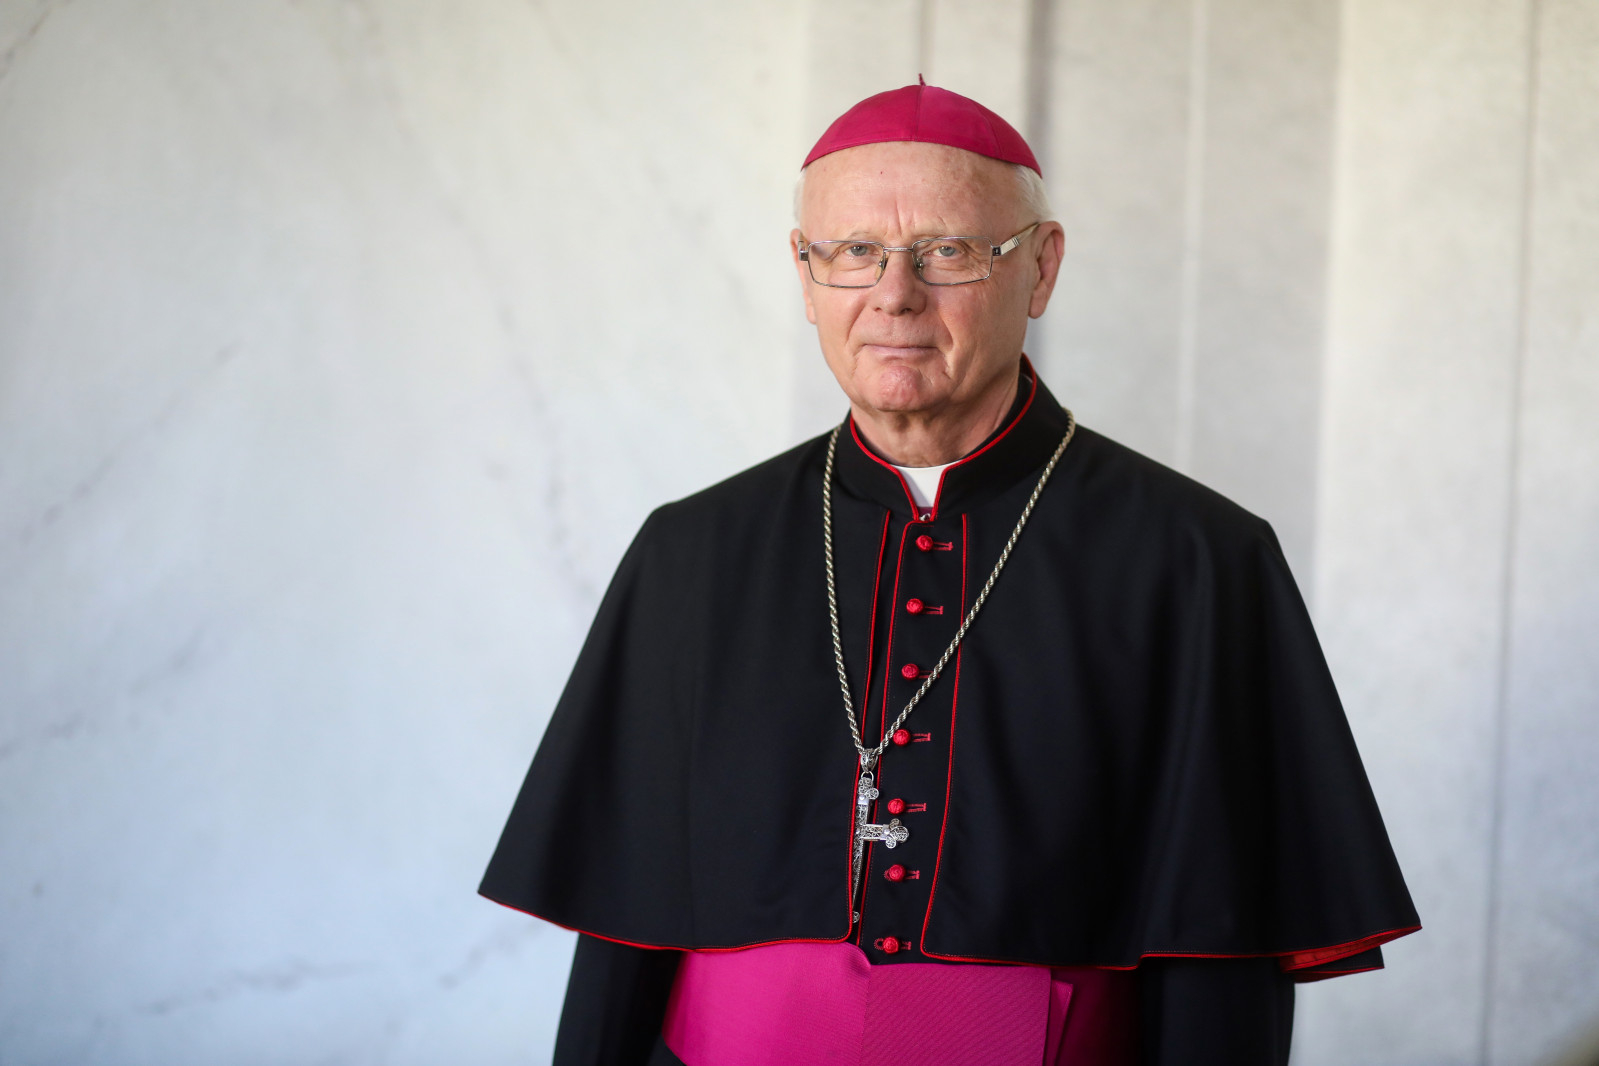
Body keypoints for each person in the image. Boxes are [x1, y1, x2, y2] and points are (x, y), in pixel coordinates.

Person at [481, 80, 1419, 1066]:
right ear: (804, 274)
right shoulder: (693, 552)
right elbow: (623, 914)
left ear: (1042, 269)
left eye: (948, 250)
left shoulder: (1196, 562)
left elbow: (1223, 943)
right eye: (852, 252)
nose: (894, 294)